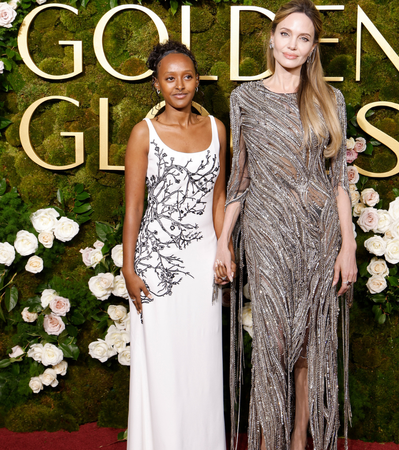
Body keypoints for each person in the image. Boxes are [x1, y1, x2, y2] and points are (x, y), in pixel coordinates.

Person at [214, 1, 357, 449]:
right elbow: (239, 180)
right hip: (267, 234)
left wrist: (348, 247)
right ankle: (267, 439)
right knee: (273, 342)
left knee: (310, 346)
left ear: (313, 48)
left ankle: (298, 439)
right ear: (271, 38)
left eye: (304, 38)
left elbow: (337, 183)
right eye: (286, 34)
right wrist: (224, 242)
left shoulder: (330, 100)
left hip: (319, 237)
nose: (293, 45)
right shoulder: (245, 98)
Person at [122, 40, 229, 450]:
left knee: (200, 363)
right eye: (170, 78)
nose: (179, 85)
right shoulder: (143, 133)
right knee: (163, 364)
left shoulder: (217, 129)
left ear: (197, 81)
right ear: (156, 85)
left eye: (187, 77)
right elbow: (133, 208)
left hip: (203, 262)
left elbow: (218, 200)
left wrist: (225, 250)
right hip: (155, 264)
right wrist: (129, 269)